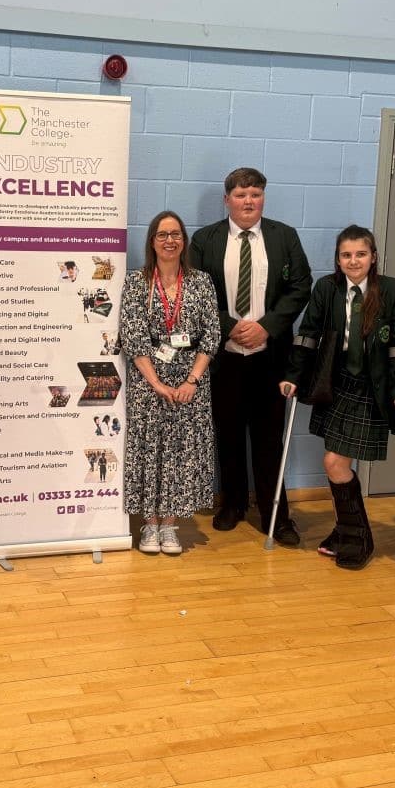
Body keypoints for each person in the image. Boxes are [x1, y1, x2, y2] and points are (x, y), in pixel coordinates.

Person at [280, 225, 395, 569]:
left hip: (371, 388)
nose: (353, 261)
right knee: (337, 462)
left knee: (334, 463)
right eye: (346, 255)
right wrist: (293, 376)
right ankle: (347, 529)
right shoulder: (327, 288)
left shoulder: (394, 291)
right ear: (337, 260)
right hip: (336, 384)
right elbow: (307, 334)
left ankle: (357, 536)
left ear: (373, 257)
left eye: (360, 254)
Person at [189, 167, 311, 545]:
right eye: (241, 195)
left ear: (263, 198)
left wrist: (267, 325)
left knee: (268, 437)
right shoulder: (205, 239)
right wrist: (229, 325)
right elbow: (196, 291)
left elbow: (300, 285)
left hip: (269, 355)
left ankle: (277, 513)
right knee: (226, 432)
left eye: (255, 194)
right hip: (223, 355)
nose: (248, 201)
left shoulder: (284, 236)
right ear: (227, 199)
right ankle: (233, 503)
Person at [119, 211, 220, 555]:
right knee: (150, 450)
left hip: (192, 379)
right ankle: (149, 525)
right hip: (148, 381)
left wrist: (192, 379)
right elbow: (133, 338)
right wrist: (157, 383)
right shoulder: (137, 282)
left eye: (176, 234)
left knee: (182, 452)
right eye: (162, 235)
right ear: (152, 241)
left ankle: (171, 526)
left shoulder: (201, 282)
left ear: (184, 241)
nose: (170, 241)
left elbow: (212, 336)